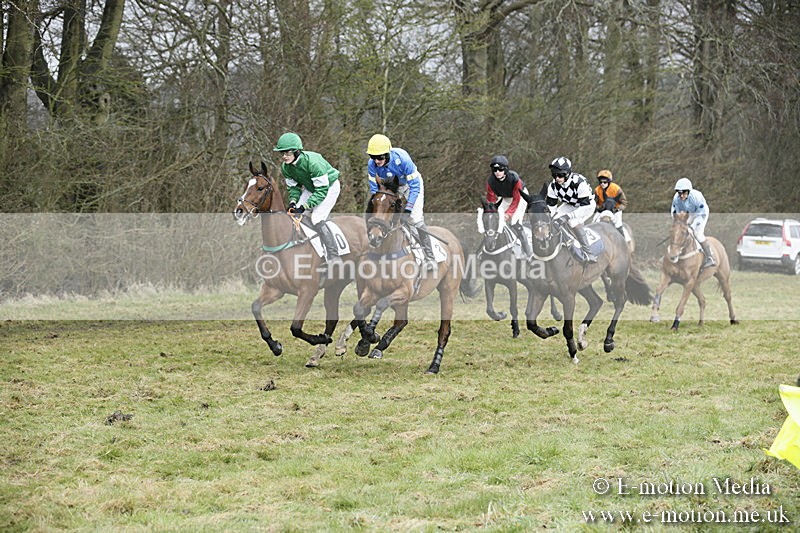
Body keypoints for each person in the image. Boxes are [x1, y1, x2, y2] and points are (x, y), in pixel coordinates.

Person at [366, 133, 436, 269]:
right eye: (373, 157)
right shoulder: (372, 165)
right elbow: (375, 189)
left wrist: (408, 209)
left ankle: (429, 256)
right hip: (391, 187)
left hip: (411, 185)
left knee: (414, 219)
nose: (376, 161)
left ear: (387, 154)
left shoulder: (402, 160)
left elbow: (415, 187)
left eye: (379, 157)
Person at [273, 132, 342, 265]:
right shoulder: (285, 167)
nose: (284, 156)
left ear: (297, 152)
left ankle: (334, 255)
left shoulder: (313, 163)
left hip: (329, 187)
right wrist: (293, 202)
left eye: (287, 153)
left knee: (316, 218)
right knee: (294, 215)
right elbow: (293, 188)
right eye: (282, 153)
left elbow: (321, 192)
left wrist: (304, 207)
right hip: (311, 188)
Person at [544, 156, 598, 263]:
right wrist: (553, 219)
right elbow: (551, 207)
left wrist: (567, 216)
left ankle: (588, 252)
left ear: (568, 173)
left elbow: (585, 205)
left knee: (572, 221)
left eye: (560, 175)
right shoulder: (552, 186)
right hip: (570, 205)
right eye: (554, 175)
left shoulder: (579, 183)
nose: (557, 178)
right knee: (554, 221)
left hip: (586, 206)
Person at [485, 155, 533, 260]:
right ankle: (486, 248)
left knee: (514, 222)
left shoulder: (514, 179)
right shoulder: (490, 181)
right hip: (506, 198)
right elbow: (491, 199)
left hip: (520, 197)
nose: (497, 172)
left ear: (505, 169)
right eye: (495, 170)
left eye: (500, 169)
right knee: (493, 221)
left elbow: (516, 200)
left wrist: (509, 214)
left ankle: (528, 251)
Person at [671, 177, 715, 269]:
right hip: (689, 213)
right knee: (679, 231)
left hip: (701, 213)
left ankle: (710, 257)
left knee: (697, 233)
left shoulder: (696, 197)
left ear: (688, 191)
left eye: (683, 193)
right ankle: (676, 252)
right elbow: (675, 213)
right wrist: (679, 224)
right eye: (679, 193)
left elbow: (701, 214)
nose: (681, 195)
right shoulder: (676, 198)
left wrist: (692, 226)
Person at [593, 169, 631, 243]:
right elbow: (595, 202)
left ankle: (624, 242)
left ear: (609, 181)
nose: (602, 184)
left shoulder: (616, 189)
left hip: (615, 210)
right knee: (593, 222)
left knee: (618, 224)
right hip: (603, 210)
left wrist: (617, 209)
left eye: (605, 182)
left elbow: (624, 203)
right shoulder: (597, 190)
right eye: (600, 182)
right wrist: (598, 208)